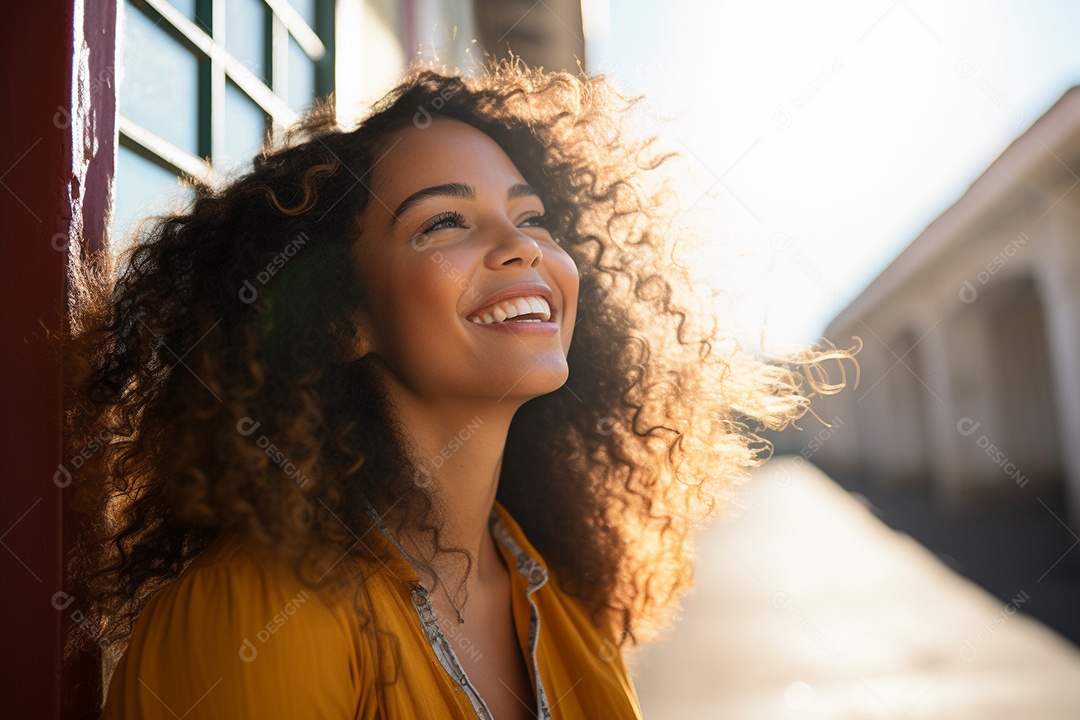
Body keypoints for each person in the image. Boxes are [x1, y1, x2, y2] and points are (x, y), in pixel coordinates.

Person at [63, 58, 858, 718]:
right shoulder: (257, 617)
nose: (521, 248)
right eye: (444, 222)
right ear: (340, 319)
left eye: (533, 217)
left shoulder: (560, 601)